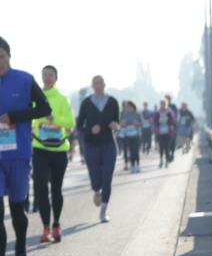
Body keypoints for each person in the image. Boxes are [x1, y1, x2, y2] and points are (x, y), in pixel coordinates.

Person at [0, 37, 50, 256]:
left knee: (18, 210)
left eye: (1, 57)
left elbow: (44, 108)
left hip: (18, 154)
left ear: (9, 56)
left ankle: (20, 249)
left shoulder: (25, 80)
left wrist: (16, 116)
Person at [32, 65, 75, 244]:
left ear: (56, 78)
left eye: (50, 75)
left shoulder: (62, 98)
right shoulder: (35, 96)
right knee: (41, 189)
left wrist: (54, 120)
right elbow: (32, 117)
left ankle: (56, 224)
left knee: (56, 189)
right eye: (44, 75)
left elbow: (70, 122)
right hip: (40, 147)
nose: (47, 77)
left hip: (58, 149)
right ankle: (45, 228)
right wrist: (41, 120)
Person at [76, 75, 120, 223]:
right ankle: (96, 190)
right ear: (92, 85)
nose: (98, 85)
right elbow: (79, 126)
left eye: (100, 82)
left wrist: (115, 126)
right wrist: (90, 129)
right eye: (95, 83)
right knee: (95, 178)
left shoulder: (113, 102)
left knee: (107, 177)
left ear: (104, 84)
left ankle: (104, 210)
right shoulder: (86, 103)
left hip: (108, 143)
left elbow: (117, 122)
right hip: (91, 145)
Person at [119, 100, 142, 173]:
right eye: (126, 106)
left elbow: (141, 123)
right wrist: (123, 124)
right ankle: (132, 166)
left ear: (132, 106)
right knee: (131, 151)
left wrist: (137, 123)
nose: (127, 108)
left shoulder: (137, 114)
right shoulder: (124, 114)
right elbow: (121, 124)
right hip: (127, 135)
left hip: (136, 135)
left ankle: (137, 165)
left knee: (136, 151)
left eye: (129, 106)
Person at [152, 99, 176, 168]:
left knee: (167, 147)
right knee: (161, 147)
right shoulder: (157, 112)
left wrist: (170, 124)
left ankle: (167, 161)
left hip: (168, 132)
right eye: (161, 103)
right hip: (160, 132)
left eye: (164, 103)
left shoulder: (169, 112)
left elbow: (173, 121)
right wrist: (156, 127)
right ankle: (161, 160)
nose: (162, 105)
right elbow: (154, 121)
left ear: (166, 104)